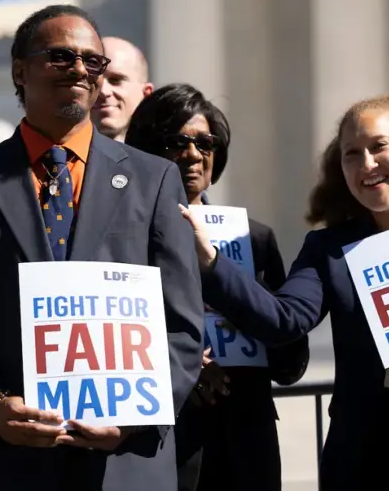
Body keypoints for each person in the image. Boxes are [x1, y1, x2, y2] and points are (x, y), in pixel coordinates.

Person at [0, 4, 204, 491]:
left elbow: (181, 324)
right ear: (19, 70)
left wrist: (136, 419)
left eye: (92, 61)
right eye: (60, 57)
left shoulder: (154, 178)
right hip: (13, 464)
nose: (79, 69)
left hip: (126, 464)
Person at [179, 90, 389, 491]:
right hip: (376, 457)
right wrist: (211, 262)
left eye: (379, 146)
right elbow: (284, 320)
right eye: (351, 154)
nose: (366, 163)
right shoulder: (330, 250)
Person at [126, 83, 309, 491]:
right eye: (176, 142)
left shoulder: (254, 239)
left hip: (246, 444)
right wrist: (184, 367)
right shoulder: (118, 239)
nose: (192, 154)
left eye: (204, 143)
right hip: (160, 446)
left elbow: (290, 361)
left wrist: (232, 289)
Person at [90, 36, 153, 141]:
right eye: (93, 81)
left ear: (146, 94)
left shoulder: (165, 155)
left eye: (115, 80)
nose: (104, 91)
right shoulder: (57, 154)